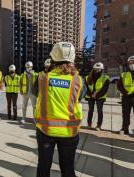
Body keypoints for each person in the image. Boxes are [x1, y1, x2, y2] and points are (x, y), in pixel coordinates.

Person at [33, 42, 86, 177]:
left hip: (46, 131)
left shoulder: (42, 78)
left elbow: (35, 92)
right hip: (69, 132)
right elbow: (80, 97)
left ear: (53, 59)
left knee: (43, 167)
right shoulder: (79, 81)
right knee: (68, 169)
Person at [85, 62, 109, 131]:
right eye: (95, 69)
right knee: (90, 110)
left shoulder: (105, 78)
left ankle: (99, 125)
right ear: (93, 69)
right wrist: (91, 94)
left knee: (99, 111)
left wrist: (96, 95)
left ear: (102, 70)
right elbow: (86, 88)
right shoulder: (88, 77)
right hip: (90, 96)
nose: (97, 70)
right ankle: (89, 124)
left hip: (100, 97)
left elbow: (105, 89)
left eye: (99, 69)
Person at [117, 56, 134, 135]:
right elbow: (119, 85)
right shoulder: (124, 74)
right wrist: (124, 92)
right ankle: (125, 129)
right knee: (125, 114)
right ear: (128, 63)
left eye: (133, 62)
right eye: (131, 62)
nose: (132, 64)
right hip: (126, 97)